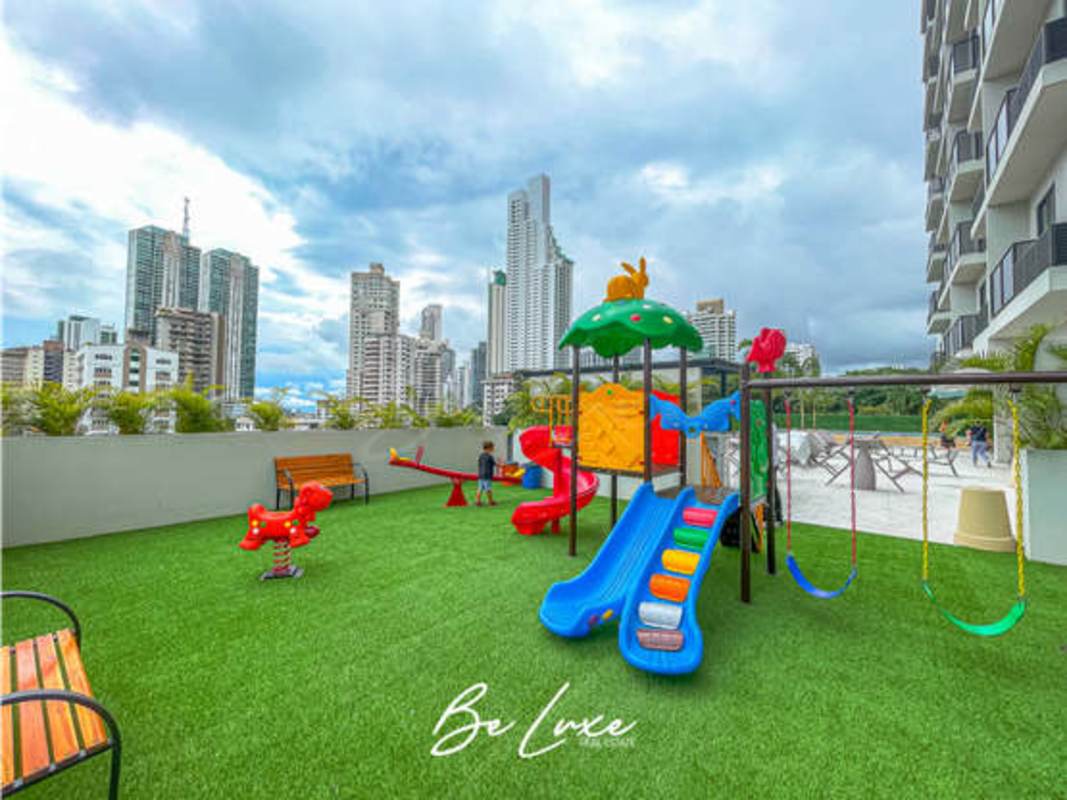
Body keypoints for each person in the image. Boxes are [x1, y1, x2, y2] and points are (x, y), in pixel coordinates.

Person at [475, 441, 497, 506]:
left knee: (480, 488)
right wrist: (501, 465)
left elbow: (479, 463)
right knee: (488, 489)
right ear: (489, 448)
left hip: (481, 475)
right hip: (487, 475)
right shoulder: (490, 456)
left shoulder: (480, 456)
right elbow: (494, 464)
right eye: (492, 447)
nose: (493, 449)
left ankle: (478, 501)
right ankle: (490, 501)